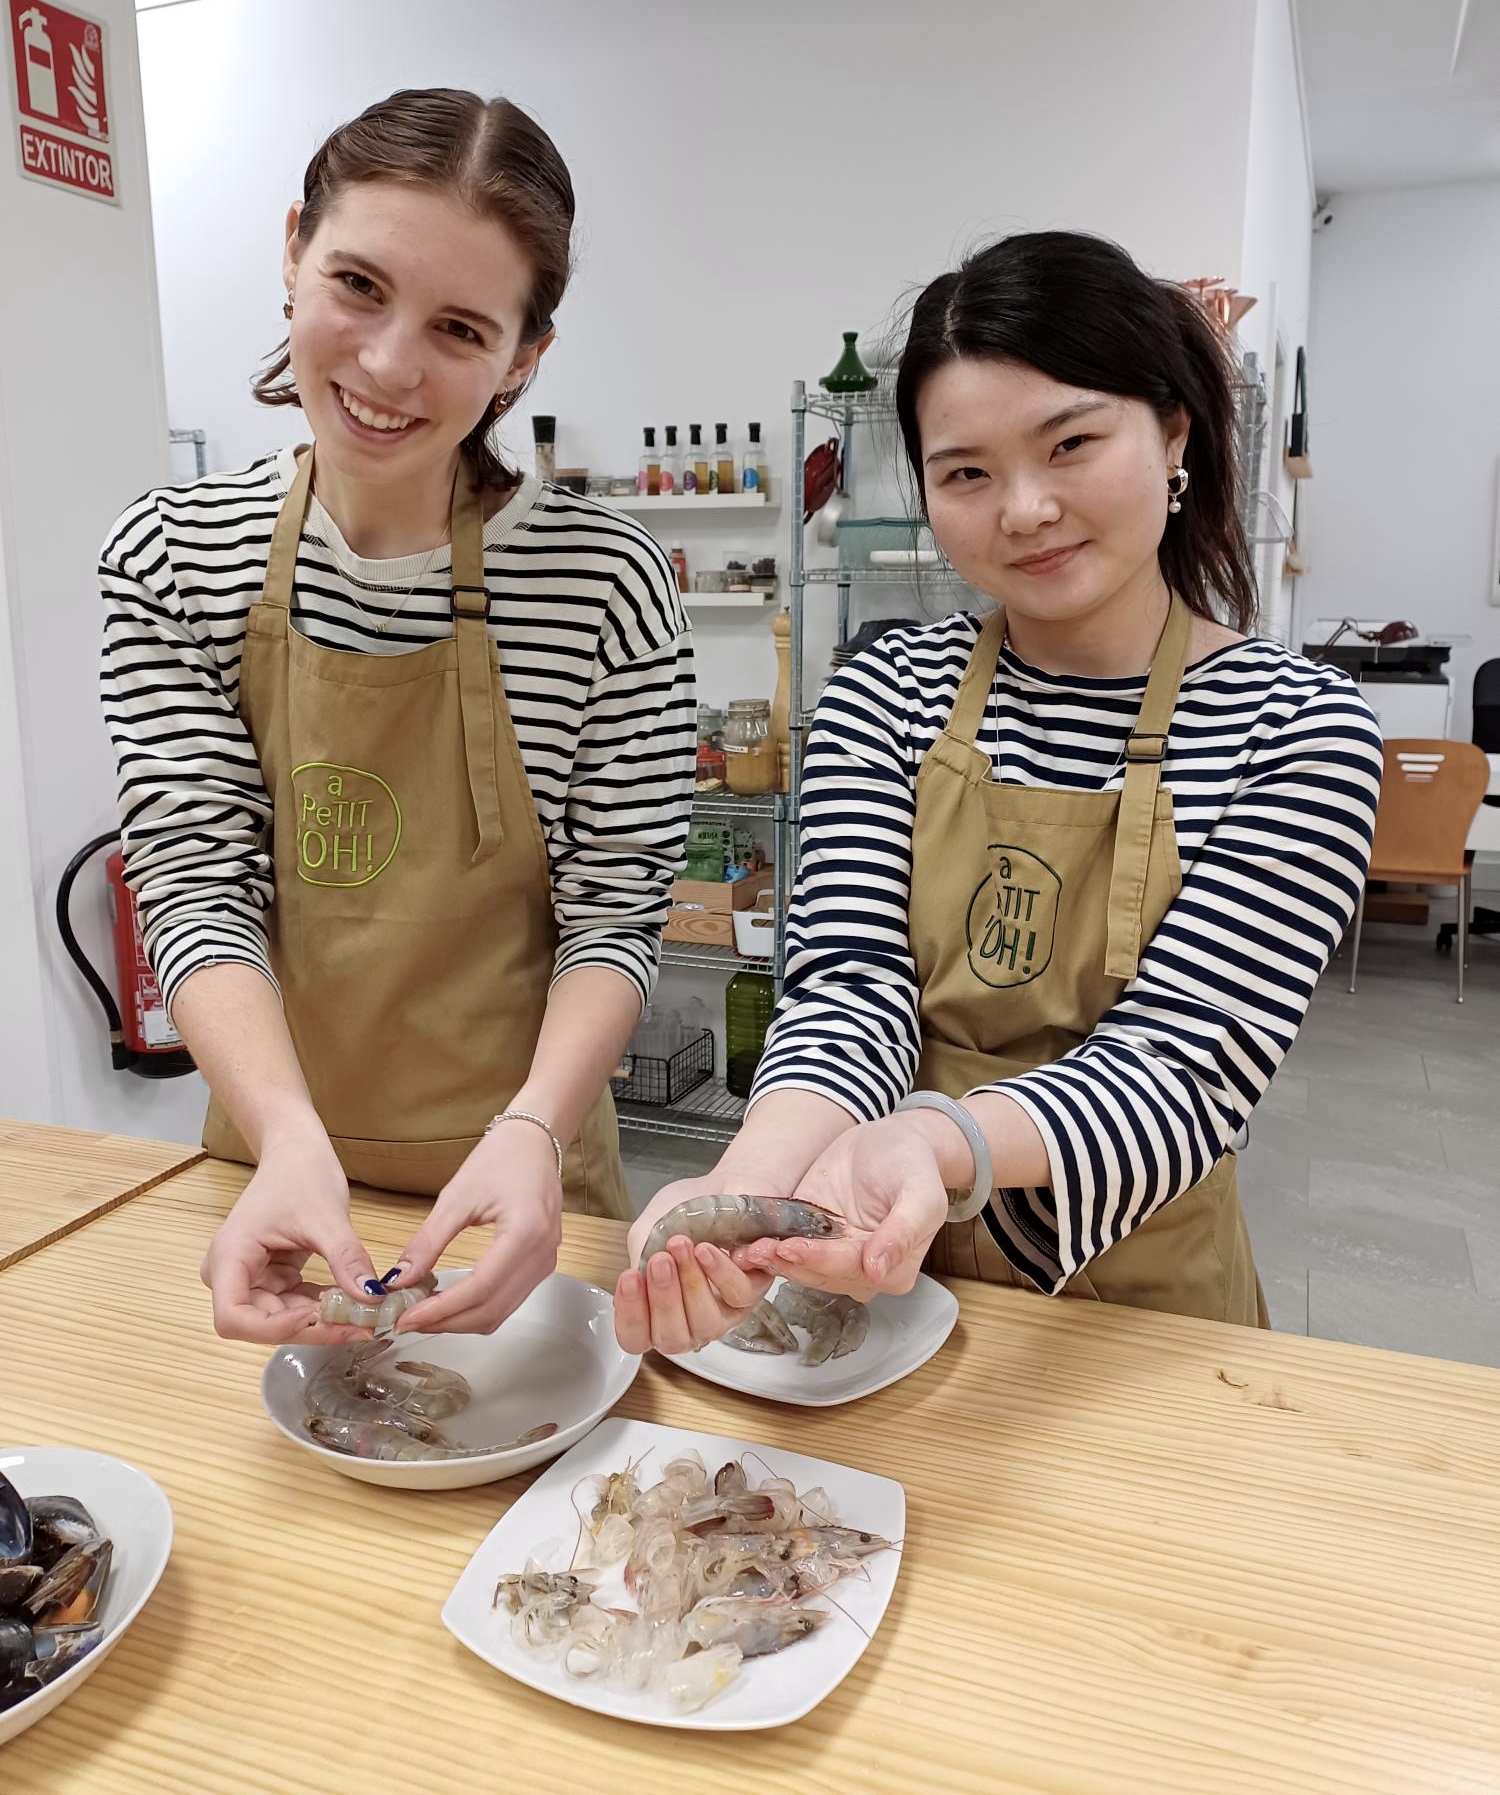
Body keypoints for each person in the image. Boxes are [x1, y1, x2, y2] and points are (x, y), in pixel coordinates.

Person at [616, 230, 1382, 1353]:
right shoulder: (885, 690)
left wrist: (938, 1143)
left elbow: (1181, 1061)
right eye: (966, 471)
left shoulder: (1298, 726)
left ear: (1173, 434)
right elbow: (851, 987)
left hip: (1144, 1309)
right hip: (875, 1271)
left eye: (1070, 442)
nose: (1022, 508)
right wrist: (741, 1186)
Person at [100, 88, 695, 1347]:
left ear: (523, 357)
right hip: (273, 1167)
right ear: (291, 253)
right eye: (358, 284)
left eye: (461, 327)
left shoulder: (608, 582)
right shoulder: (169, 556)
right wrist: (288, 1139)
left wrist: (533, 1126)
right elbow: (196, 880)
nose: (386, 364)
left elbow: (619, 903)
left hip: (525, 1186)